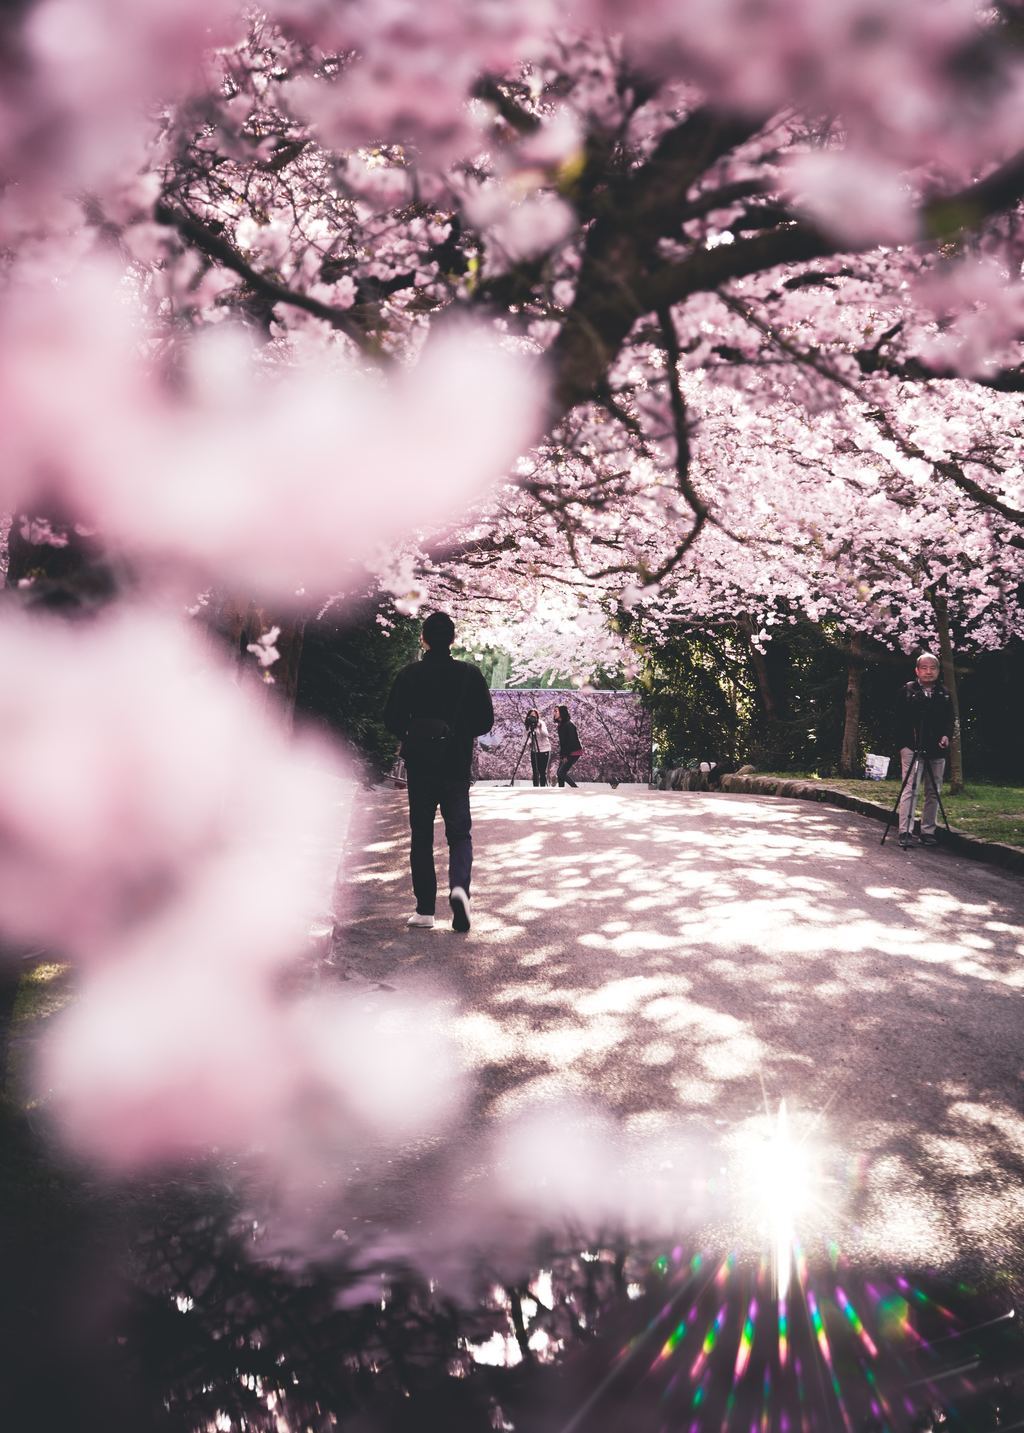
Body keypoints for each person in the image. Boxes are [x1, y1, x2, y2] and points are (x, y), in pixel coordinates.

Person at [383, 611, 494, 930]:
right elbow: (486, 720)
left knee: (421, 834)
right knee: (459, 834)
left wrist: (415, 733)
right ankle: (459, 888)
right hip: (456, 765)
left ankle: (425, 910)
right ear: (453, 640)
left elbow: (391, 719)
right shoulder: (470, 674)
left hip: (421, 766)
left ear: (424, 639)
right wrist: (457, 734)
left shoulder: (409, 675)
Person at [895, 651, 955, 850]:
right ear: (917, 670)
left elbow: (949, 719)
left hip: (936, 748)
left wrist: (946, 736)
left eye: (933, 668)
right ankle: (905, 831)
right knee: (910, 788)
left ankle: (928, 831)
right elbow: (898, 719)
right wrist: (904, 744)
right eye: (924, 668)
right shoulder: (908, 690)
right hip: (912, 746)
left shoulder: (944, 693)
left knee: (934, 790)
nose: (928, 672)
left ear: (938, 671)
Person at [554, 704, 583, 788]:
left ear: (562, 712)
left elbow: (571, 741)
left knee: (561, 773)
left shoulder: (568, 725)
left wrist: (565, 755)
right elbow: (563, 743)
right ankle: (561, 790)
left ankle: (576, 789)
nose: (554, 713)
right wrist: (562, 755)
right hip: (567, 752)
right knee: (559, 773)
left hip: (574, 752)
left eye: (556, 711)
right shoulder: (561, 725)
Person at [525, 708, 552, 786]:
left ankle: (542, 788)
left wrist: (539, 727)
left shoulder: (541, 723)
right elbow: (526, 737)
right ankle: (535, 787)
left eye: (534, 715)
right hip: (534, 749)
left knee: (542, 771)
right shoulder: (527, 725)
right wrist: (529, 742)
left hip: (544, 749)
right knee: (535, 771)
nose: (533, 717)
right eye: (531, 716)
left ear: (537, 716)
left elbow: (546, 734)